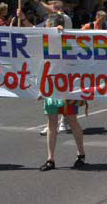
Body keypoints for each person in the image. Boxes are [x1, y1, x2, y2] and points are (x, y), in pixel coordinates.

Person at [39, 13, 86, 171]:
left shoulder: (70, 41)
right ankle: (50, 159)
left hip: (67, 89)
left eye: (47, 26)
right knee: (52, 124)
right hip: (51, 89)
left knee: (72, 121)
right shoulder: (45, 42)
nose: (45, 28)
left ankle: (81, 154)